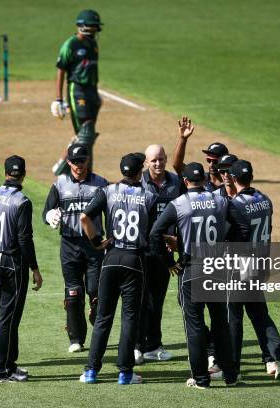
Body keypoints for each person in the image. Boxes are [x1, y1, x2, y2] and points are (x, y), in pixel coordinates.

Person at [149, 162, 238, 389]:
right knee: (221, 324)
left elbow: (155, 233)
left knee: (195, 326)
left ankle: (201, 379)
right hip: (217, 267)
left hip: (192, 269)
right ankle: (230, 376)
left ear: (186, 181)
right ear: (203, 180)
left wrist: (169, 262)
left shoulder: (178, 203)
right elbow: (236, 226)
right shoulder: (220, 200)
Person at [79, 153, 157, 385]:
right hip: (135, 260)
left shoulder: (107, 191)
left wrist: (96, 242)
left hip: (110, 258)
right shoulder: (149, 196)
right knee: (130, 318)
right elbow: (153, 233)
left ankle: (91, 371)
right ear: (139, 172)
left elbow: (84, 218)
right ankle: (125, 373)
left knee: (103, 317)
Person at [226, 159, 280, 380]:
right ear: (251, 177)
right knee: (259, 314)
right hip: (259, 264)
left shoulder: (234, 205)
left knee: (233, 317)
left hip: (240, 266)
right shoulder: (265, 200)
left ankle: (232, 368)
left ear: (234, 179)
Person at [42, 144, 108, 352]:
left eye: (82, 161)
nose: (78, 166)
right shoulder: (60, 184)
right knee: (73, 294)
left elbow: (113, 212)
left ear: (87, 160)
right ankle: (76, 339)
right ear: (68, 162)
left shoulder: (100, 184)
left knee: (96, 292)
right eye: (74, 161)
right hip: (69, 245)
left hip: (94, 246)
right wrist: (50, 216)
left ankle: (98, 334)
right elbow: (47, 210)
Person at [0, 155, 43, 383]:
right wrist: (34, 268)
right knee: (8, 318)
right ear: (24, 174)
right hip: (12, 262)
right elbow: (24, 239)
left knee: (6, 315)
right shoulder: (22, 201)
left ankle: (9, 365)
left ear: (5, 172)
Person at [134, 144, 184, 364]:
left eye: (161, 159)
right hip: (142, 251)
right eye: (153, 160)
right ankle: (136, 346)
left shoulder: (176, 183)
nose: (158, 163)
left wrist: (178, 242)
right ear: (146, 162)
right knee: (139, 300)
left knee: (157, 301)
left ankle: (153, 345)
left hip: (165, 254)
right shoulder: (138, 182)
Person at [51, 9, 104, 175]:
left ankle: (74, 166)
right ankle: (68, 167)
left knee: (85, 135)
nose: (96, 30)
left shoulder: (93, 44)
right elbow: (61, 70)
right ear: (83, 26)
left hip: (91, 91)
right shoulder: (71, 44)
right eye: (93, 26)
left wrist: (96, 94)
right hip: (77, 90)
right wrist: (58, 99)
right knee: (86, 131)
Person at [172, 116, 229, 192]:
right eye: (209, 160)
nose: (211, 164)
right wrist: (183, 139)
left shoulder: (231, 182)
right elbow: (177, 166)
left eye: (215, 161)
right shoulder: (200, 178)